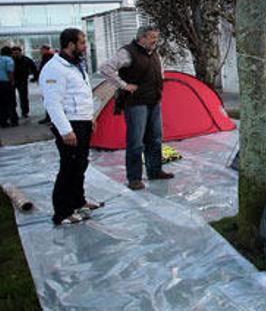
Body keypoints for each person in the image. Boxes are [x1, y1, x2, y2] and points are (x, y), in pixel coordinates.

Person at [39, 28, 101, 225]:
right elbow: (52, 102)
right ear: (70, 44)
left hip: (82, 121)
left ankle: (78, 201)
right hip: (69, 124)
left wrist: (89, 117)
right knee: (68, 167)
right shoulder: (54, 69)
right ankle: (62, 212)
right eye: (82, 43)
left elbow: (81, 94)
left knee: (80, 164)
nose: (85, 46)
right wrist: (66, 130)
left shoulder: (75, 65)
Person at [99, 26, 173, 190]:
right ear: (142, 38)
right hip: (136, 104)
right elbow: (105, 68)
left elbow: (158, 71)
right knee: (136, 142)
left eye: (156, 37)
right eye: (152, 37)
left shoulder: (154, 52)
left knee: (155, 138)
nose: (155, 40)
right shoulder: (127, 53)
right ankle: (134, 178)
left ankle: (155, 171)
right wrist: (124, 85)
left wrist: (159, 82)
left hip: (154, 101)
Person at [11, 46, 38, 119]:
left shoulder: (26, 60)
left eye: (17, 53)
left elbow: (34, 68)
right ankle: (13, 113)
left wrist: (35, 77)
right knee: (12, 98)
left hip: (22, 80)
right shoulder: (10, 60)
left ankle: (25, 112)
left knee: (23, 97)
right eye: (13, 53)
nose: (15, 55)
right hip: (12, 80)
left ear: (20, 52)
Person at [38, 45, 56, 124]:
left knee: (50, 100)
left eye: (41, 50)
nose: (40, 51)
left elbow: (46, 70)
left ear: (45, 50)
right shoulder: (50, 57)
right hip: (49, 81)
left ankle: (51, 118)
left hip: (49, 82)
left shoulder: (48, 57)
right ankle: (49, 117)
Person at [0, 46, 17, 128]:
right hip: (6, 83)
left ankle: (3, 121)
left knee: (2, 103)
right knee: (11, 102)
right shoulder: (9, 60)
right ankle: (13, 120)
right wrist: (12, 81)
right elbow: (10, 72)